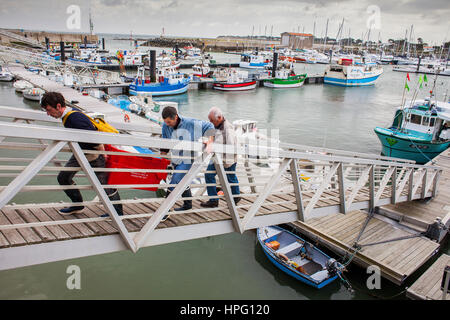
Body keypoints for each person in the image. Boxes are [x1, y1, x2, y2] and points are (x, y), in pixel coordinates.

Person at [40, 92, 123, 217]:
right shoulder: (69, 115)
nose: (48, 114)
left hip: (94, 153)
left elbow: (93, 135)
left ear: (58, 106)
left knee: (104, 185)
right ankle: (78, 205)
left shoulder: (73, 117)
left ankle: (117, 212)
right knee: (63, 177)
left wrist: (102, 152)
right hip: (80, 153)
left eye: (49, 110)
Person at [161, 106, 214, 217]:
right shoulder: (165, 126)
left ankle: (164, 211)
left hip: (187, 159)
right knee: (182, 180)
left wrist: (210, 140)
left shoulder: (190, 123)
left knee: (175, 181)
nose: (167, 125)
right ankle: (188, 204)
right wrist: (160, 159)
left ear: (176, 117)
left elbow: (210, 126)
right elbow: (165, 144)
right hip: (175, 158)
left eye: (169, 122)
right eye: (166, 122)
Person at [200, 107, 241, 208]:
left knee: (230, 178)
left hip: (227, 159)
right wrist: (210, 142)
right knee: (209, 175)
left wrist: (227, 163)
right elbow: (217, 138)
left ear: (219, 117)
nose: (211, 122)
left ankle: (236, 196)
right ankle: (213, 200)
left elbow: (232, 147)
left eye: (212, 120)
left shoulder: (228, 129)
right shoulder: (217, 125)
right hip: (218, 157)